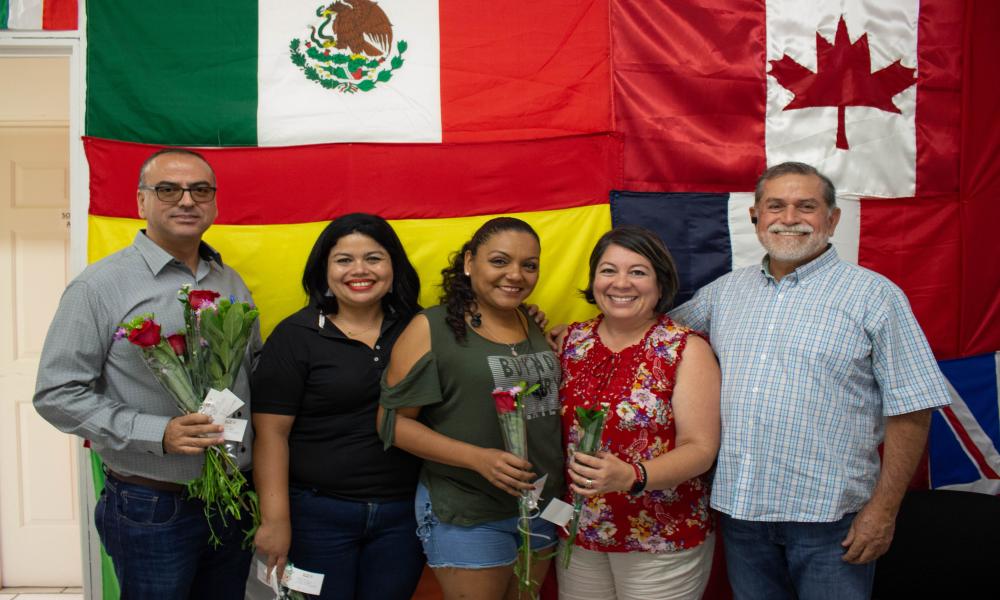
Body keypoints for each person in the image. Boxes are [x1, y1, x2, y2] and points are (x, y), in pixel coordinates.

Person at [669, 161, 952, 599]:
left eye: (806, 206)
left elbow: (913, 408)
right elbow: (652, 338)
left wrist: (883, 511)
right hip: (741, 514)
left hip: (832, 523)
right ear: (755, 216)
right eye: (775, 206)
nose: (789, 218)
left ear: (832, 219)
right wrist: (570, 333)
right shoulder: (724, 292)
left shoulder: (875, 296)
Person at [33, 148, 259, 599]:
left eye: (200, 190)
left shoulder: (228, 281)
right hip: (152, 506)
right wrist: (158, 432)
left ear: (214, 202)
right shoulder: (99, 286)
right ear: (141, 201)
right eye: (168, 189)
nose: (187, 200)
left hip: (231, 500)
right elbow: (56, 393)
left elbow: (251, 372)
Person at [378, 217, 564, 600]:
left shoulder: (531, 321)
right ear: (469, 262)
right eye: (499, 261)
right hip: (468, 511)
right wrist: (478, 459)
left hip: (542, 509)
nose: (515, 274)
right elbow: (392, 424)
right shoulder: (431, 328)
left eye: (529, 265)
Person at [251, 213, 426, 599]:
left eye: (373, 258)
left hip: (404, 515)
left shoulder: (421, 327)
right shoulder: (295, 336)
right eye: (344, 260)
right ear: (324, 270)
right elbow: (271, 434)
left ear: (394, 266)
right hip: (317, 515)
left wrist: (525, 320)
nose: (359, 270)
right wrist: (275, 520)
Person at [554, 226, 721, 600]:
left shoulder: (685, 349)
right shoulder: (570, 342)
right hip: (579, 533)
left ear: (660, 284)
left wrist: (632, 475)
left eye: (638, 272)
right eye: (608, 270)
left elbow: (700, 448)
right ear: (594, 280)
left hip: (661, 539)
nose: (621, 283)